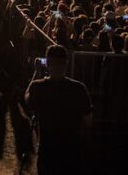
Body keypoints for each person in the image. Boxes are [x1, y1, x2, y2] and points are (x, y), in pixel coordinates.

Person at [25, 45, 92, 174]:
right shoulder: (79, 88)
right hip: (72, 151)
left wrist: (37, 72)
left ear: (47, 63)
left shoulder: (38, 87)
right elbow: (88, 121)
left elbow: (27, 98)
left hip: (47, 151)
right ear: (66, 63)